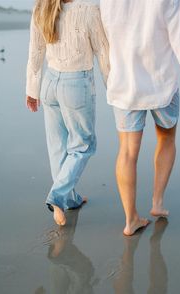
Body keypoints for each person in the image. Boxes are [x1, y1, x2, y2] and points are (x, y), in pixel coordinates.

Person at [100, 0, 180, 235]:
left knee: (127, 152)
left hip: (124, 80)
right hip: (161, 81)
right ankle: (157, 202)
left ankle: (131, 220)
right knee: (167, 138)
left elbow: (107, 28)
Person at [26, 0, 109, 226]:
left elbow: (36, 52)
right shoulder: (89, 10)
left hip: (49, 84)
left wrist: (32, 90)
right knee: (83, 145)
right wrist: (113, 88)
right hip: (76, 85)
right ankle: (57, 196)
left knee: (58, 147)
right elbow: (103, 51)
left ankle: (69, 198)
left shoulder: (41, 7)